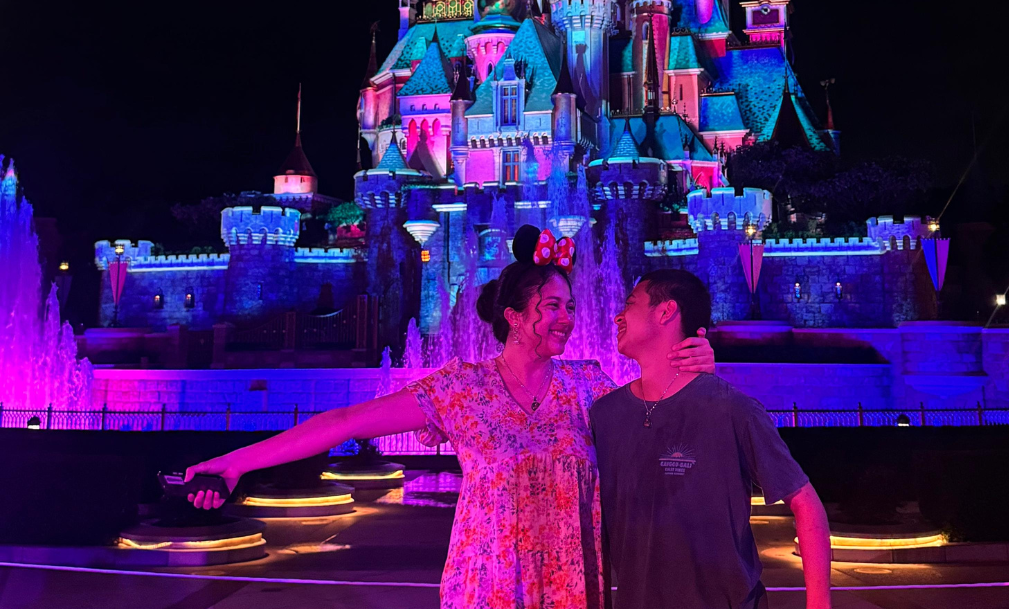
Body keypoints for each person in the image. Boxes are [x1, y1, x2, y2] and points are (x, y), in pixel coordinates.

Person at [183, 227, 716, 609]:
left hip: (570, 589)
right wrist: (234, 463)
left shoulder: (588, 385)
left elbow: (666, 429)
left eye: (571, 307)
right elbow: (343, 422)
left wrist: (696, 370)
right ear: (514, 317)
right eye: (553, 306)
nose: (568, 318)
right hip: (486, 585)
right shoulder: (461, 388)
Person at [589, 269, 832, 609]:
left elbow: (806, 504)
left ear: (666, 311)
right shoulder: (604, 414)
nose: (617, 316)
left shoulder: (731, 409)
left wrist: (819, 603)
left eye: (630, 304)